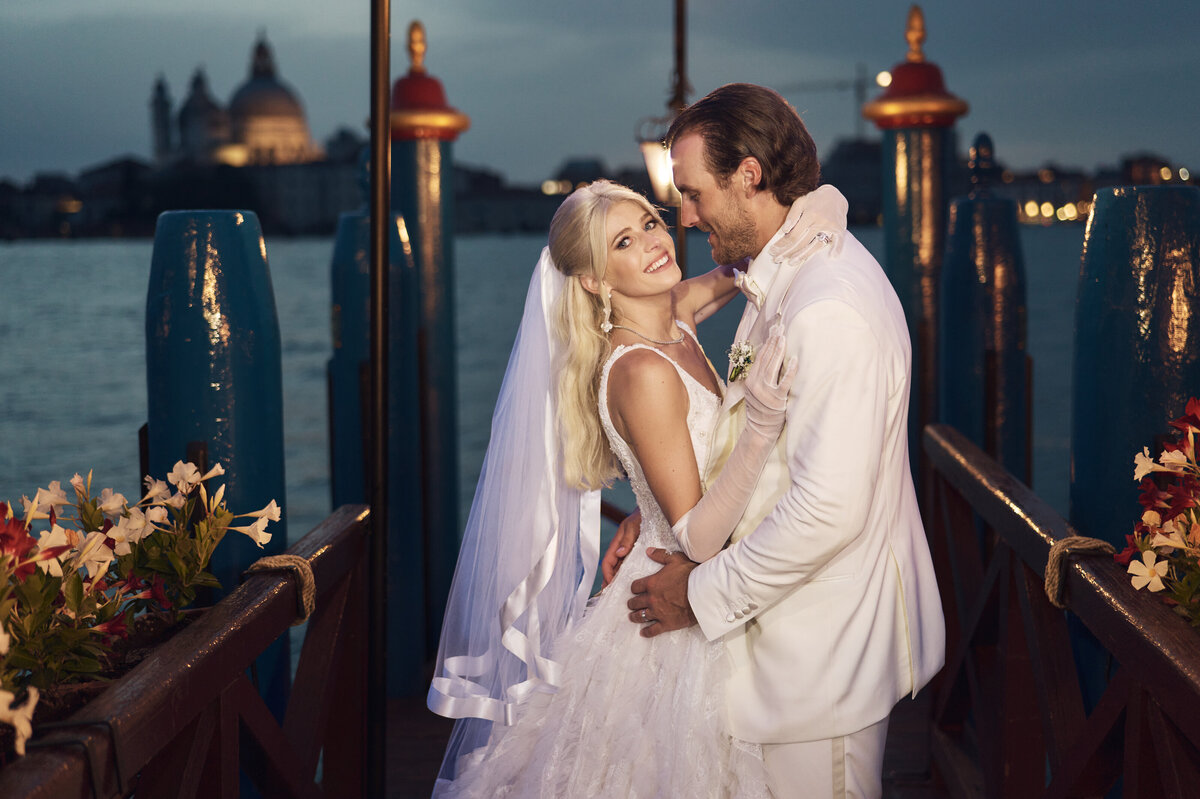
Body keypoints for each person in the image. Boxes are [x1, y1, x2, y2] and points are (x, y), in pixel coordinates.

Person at [617, 83, 946, 798]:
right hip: (776, 653)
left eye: (696, 193)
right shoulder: (783, 266)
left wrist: (696, 595)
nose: (687, 214)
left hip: (818, 665)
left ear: (750, 176)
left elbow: (827, 510)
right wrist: (656, 511)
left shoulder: (829, 308)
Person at [427, 179, 796, 797]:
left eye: (651, 223)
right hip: (672, 604)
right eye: (625, 242)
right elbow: (696, 537)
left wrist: (813, 204)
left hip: (681, 569)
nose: (654, 243)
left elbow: (747, 258)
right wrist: (760, 428)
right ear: (596, 280)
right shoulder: (641, 370)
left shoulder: (673, 316)